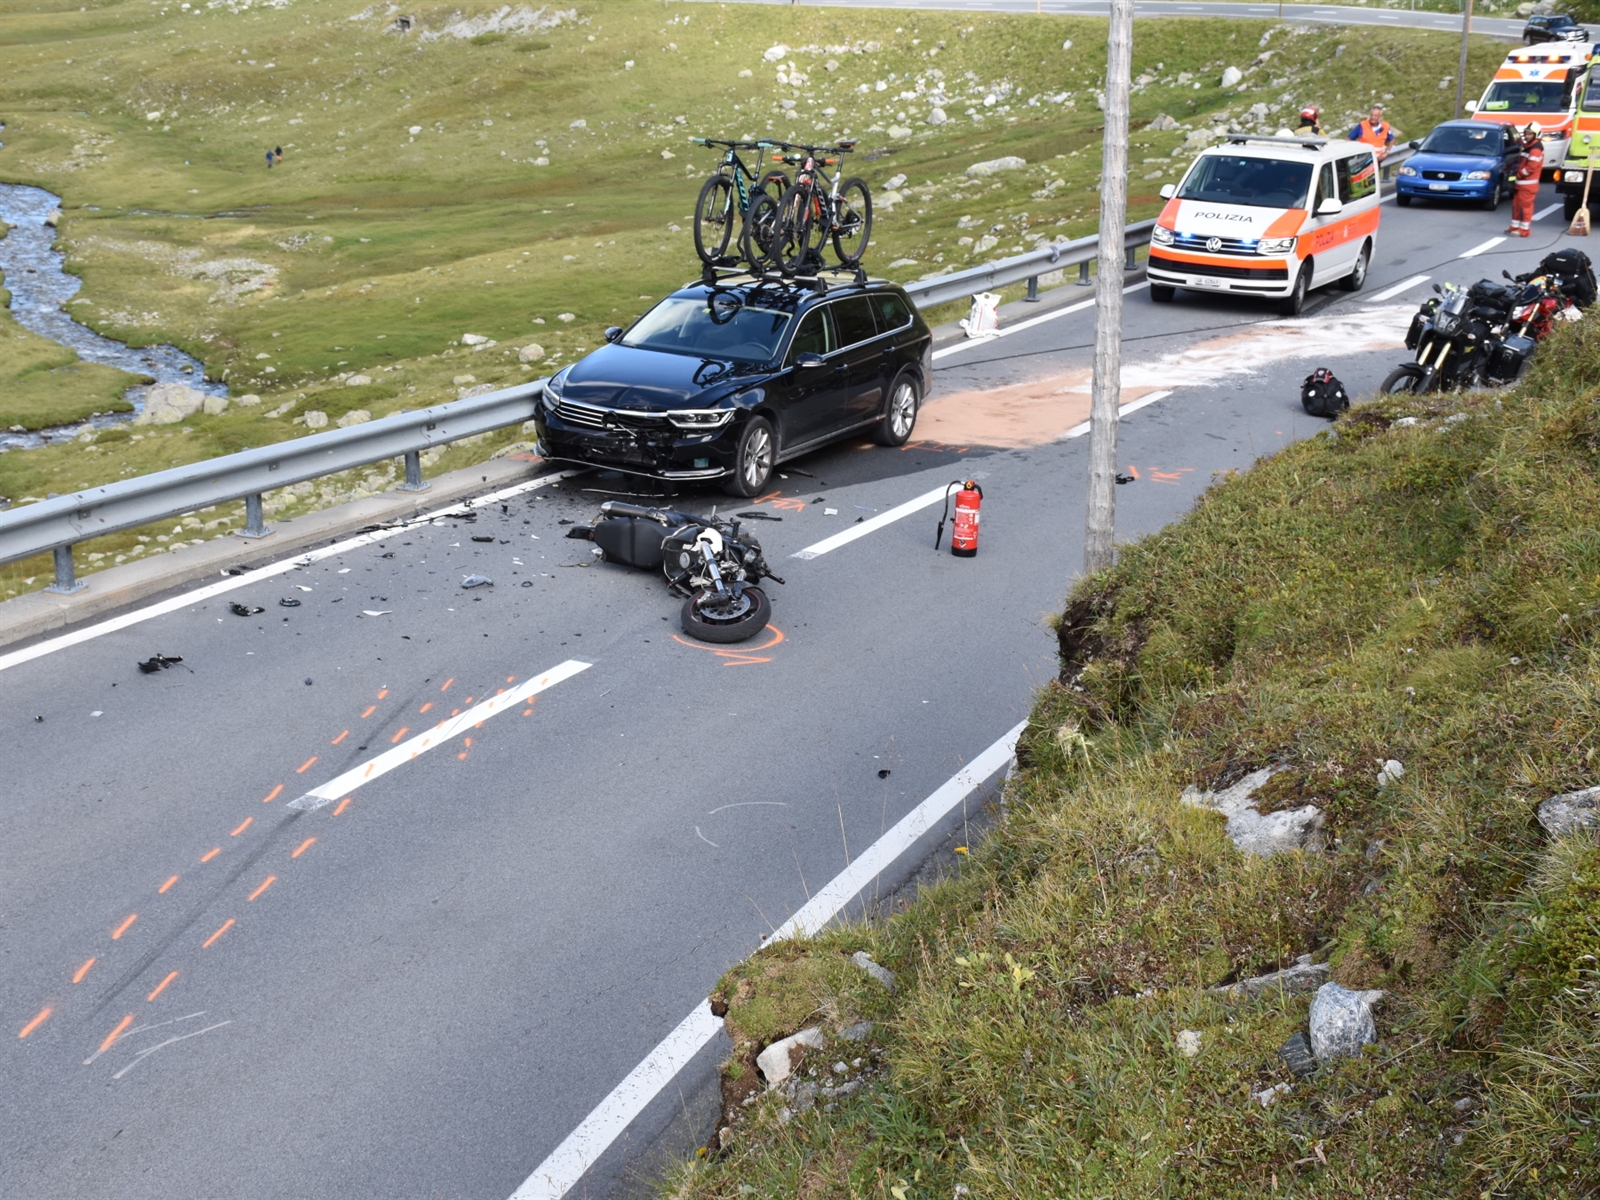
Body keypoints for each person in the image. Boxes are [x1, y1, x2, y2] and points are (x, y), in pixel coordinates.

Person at [1509, 123, 1545, 237]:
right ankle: (1515, 226)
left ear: (1536, 135)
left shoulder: (1535, 149)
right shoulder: (1528, 146)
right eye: (1526, 133)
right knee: (1516, 205)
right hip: (1522, 183)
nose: (1527, 136)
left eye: (1530, 134)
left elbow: (1531, 168)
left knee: (1525, 207)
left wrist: (1519, 174)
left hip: (1527, 184)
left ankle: (1524, 230)